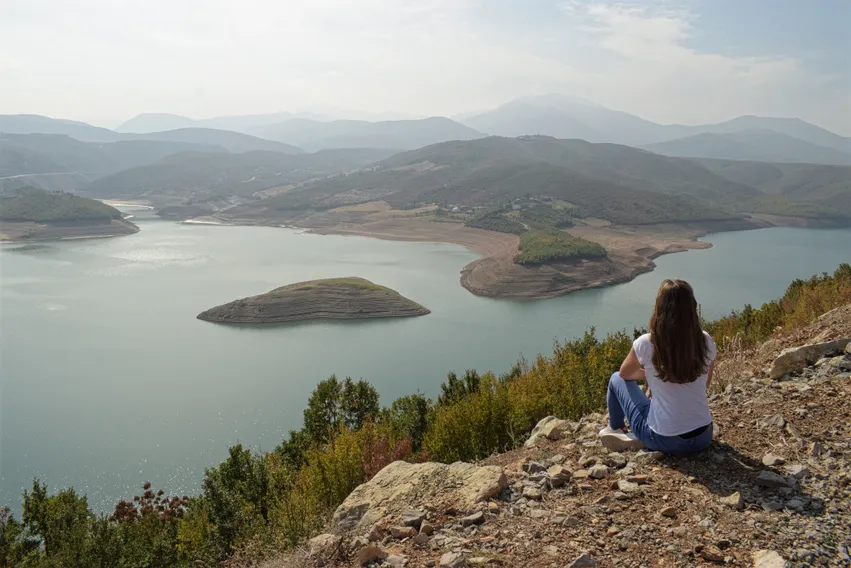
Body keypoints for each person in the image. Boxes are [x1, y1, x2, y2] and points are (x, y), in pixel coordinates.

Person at [599, 279, 716, 454]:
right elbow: (704, 385)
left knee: (616, 378)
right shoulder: (706, 340)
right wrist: (651, 375)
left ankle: (615, 428)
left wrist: (648, 374)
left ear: (660, 308)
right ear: (692, 308)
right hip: (703, 436)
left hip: (665, 440)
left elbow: (625, 374)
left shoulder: (647, 343)